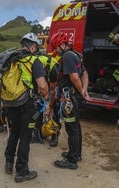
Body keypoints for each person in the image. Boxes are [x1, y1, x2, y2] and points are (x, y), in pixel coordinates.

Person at [3, 33, 48, 183]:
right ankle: (22, 171)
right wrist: (45, 97)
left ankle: (9, 162)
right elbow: (42, 85)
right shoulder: (34, 61)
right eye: (36, 47)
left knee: (14, 132)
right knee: (25, 136)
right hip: (27, 104)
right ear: (33, 46)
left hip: (11, 103)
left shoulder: (12, 60)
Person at [49, 32, 90, 169]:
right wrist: (84, 90)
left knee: (71, 128)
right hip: (74, 97)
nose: (55, 51)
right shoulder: (75, 54)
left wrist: (80, 91)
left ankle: (72, 161)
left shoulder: (66, 56)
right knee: (76, 126)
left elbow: (74, 77)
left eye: (55, 48)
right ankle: (76, 153)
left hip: (69, 100)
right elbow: (84, 73)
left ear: (62, 45)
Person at [31, 53, 61, 147]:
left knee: (55, 109)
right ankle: (37, 132)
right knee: (38, 107)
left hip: (54, 85)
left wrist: (50, 106)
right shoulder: (32, 65)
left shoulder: (53, 68)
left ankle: (55, 135)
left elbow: (53, 92)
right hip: (43, 83)